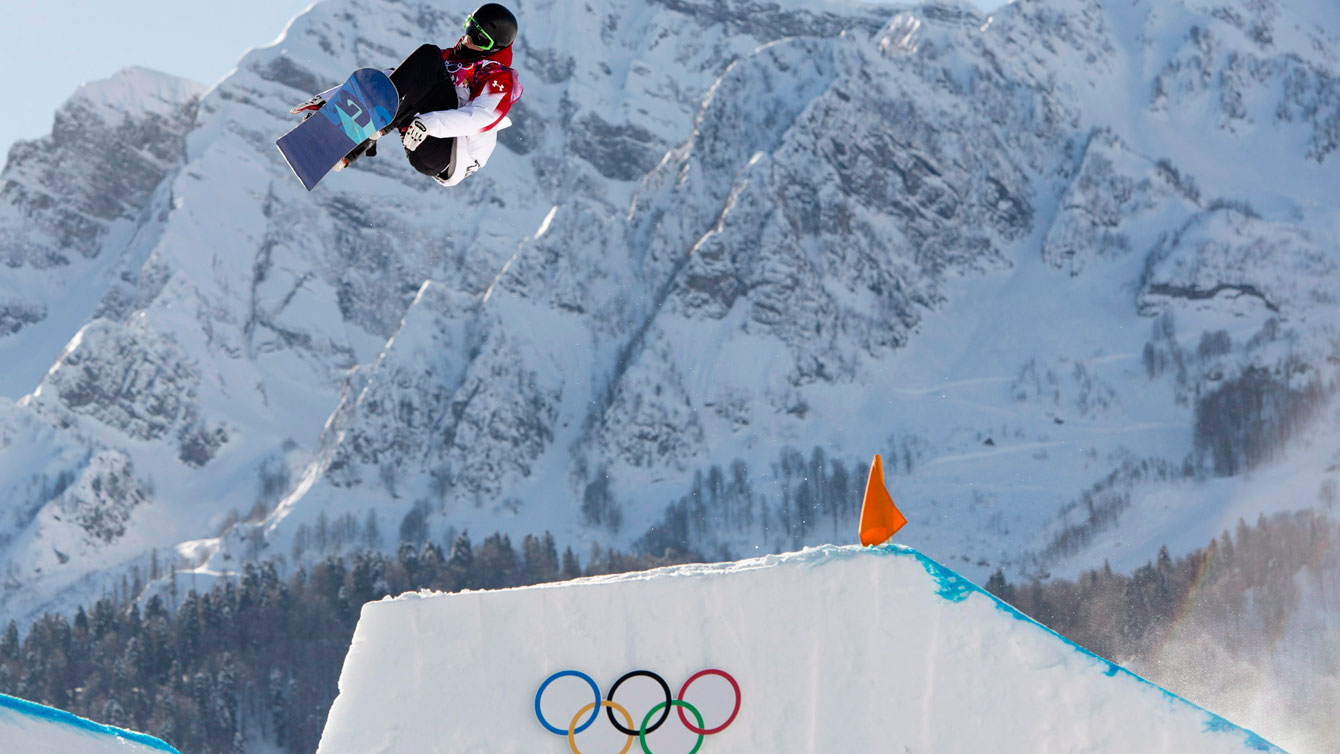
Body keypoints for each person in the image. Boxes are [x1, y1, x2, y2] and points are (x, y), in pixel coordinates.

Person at [289, 3, 523, 187]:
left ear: (495, 47)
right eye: (470, 29)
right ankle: (344, 145)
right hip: (420, 140)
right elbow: (394, 81)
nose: (468, 39)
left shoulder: (496, 75)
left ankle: (355, 137)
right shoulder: (450, 59)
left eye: (480, 39)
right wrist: (330, 99)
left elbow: (483, 117)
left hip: (449, 153)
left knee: (428, 57)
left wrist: (429, 124)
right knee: (407, 77)